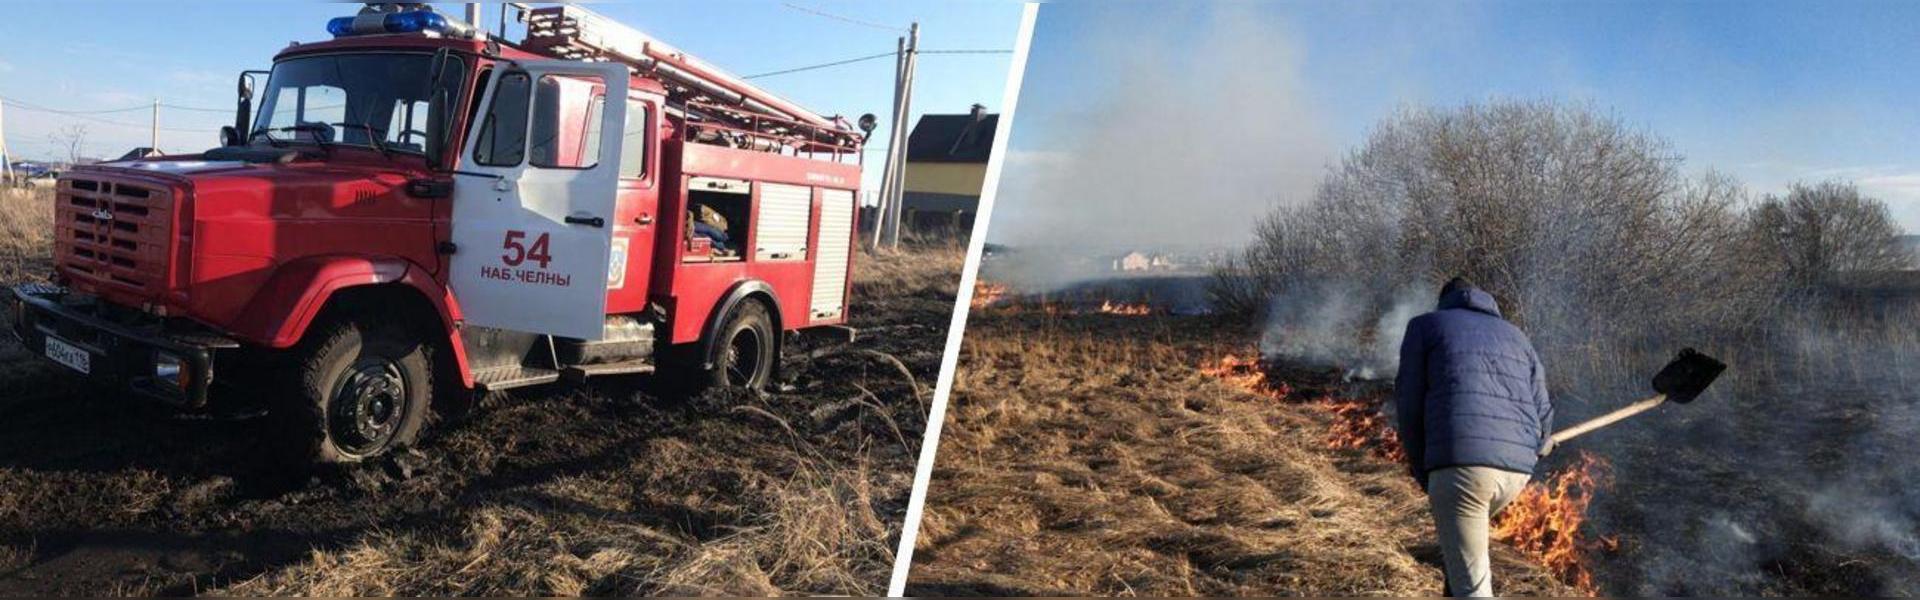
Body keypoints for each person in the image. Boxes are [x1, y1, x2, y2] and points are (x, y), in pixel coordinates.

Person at [1393, 276, 1554, 598]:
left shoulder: (1425, 326)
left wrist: (1424, 471)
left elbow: (1408, 404)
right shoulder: (1517, 336)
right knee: (1460, 566)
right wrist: (1541, 442)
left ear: (1443, 302)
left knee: (1474, 589)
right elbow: (1544, 410)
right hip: (1516, 472)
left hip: (1462, 469)